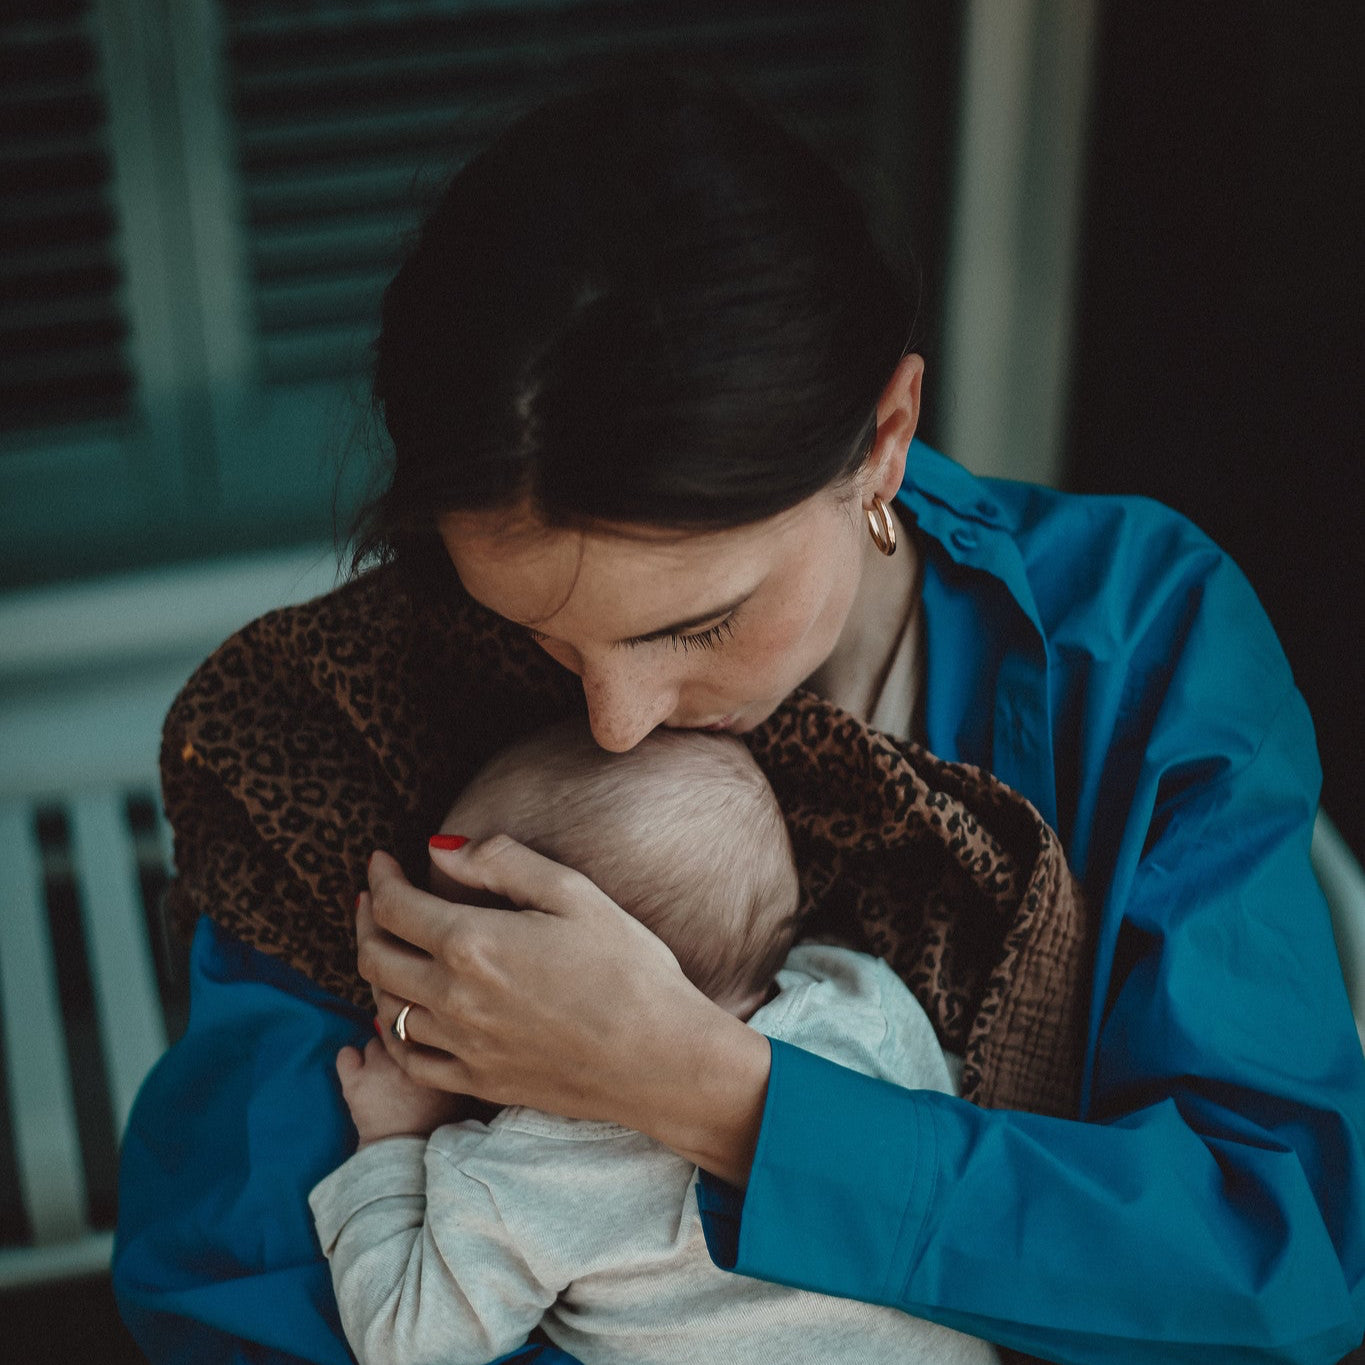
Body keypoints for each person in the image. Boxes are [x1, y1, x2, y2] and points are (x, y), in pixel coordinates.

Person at [113, 70, 1365, 1365]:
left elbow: (1279, 1262)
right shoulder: (343, 718)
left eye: (694, 624)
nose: (612, 718)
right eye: (535, 631)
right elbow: (231, 1283)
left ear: (883, 437)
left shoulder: (1140, 644)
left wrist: (709, 1095)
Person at [309, 720, 997, 1365]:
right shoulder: (861, 995)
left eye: (448, 953)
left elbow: (409, 1341)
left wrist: (395, 1141)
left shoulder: (521, 1175)